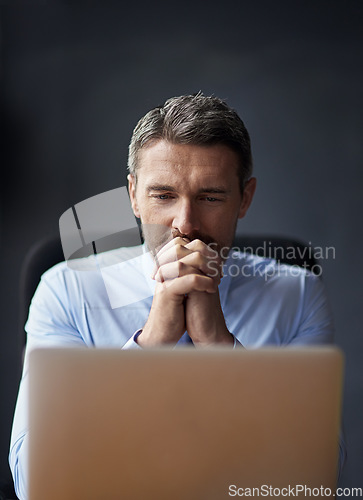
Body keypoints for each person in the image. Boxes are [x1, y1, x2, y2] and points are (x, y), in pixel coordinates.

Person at [9, 93, 345, 499]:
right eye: (163, 196)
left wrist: (218, 344)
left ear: (245, 198)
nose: (185, 225)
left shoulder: (297, 293)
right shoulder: (66, 289)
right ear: (133, 196)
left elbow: (315, 480)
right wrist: (152, 342)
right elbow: (34, 483)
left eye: (210, 197)